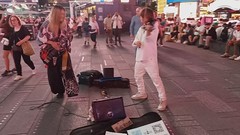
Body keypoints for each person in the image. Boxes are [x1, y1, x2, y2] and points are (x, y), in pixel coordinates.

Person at [38, 5, 79, 98]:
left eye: (64, 14)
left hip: (63, 52)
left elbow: (67, 36)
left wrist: (72, 30)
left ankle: (71, 90)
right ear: (55, 14)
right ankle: (59, 90)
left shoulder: (64, 23)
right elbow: (39, 38)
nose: (62, 16)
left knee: (67, 71)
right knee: (54, 73)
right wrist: (51, 43)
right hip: (51, 54)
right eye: (60, 14)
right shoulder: (46, 24)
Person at [131, 7, 167, 111]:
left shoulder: (154, 27)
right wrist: (136, 43)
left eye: (142, 17)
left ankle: (163, 99)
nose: (140, 19)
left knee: (156, 79)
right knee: (137, 76)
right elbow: (135, 40)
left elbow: (149, 38)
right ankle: (141, 92)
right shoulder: (141, 28)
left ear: (147, 17)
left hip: (150, 58)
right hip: (140, 57)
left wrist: (148, 30)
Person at [8, 15, 36, 81]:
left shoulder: (23, 28)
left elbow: (28, 36)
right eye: (11, 20)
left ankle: (33, 68)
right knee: (17, 61)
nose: (13, 21)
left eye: (14, 20)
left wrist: (21, 41)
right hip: (15, 48)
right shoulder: (12, 30)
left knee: (27, 60)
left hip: (23, 47)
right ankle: (19, 74)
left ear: (18, 20)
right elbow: (10, 38)